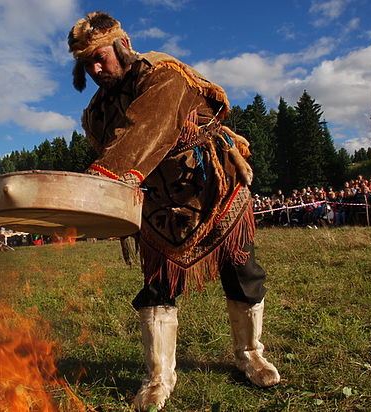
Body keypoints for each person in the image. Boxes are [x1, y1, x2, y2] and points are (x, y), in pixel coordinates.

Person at [68, 12, 280, 410]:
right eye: (86, 64)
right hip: (158, 204)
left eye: (100, 57)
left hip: (213, 191)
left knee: (242, 272)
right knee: (157, 286)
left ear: (122, 44)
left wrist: (101, 181)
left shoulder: (164, 73)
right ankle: (159, 377)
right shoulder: (96, 111)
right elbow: (109, 145)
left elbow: (150, 126)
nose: (95, 69)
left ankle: (250, 354)